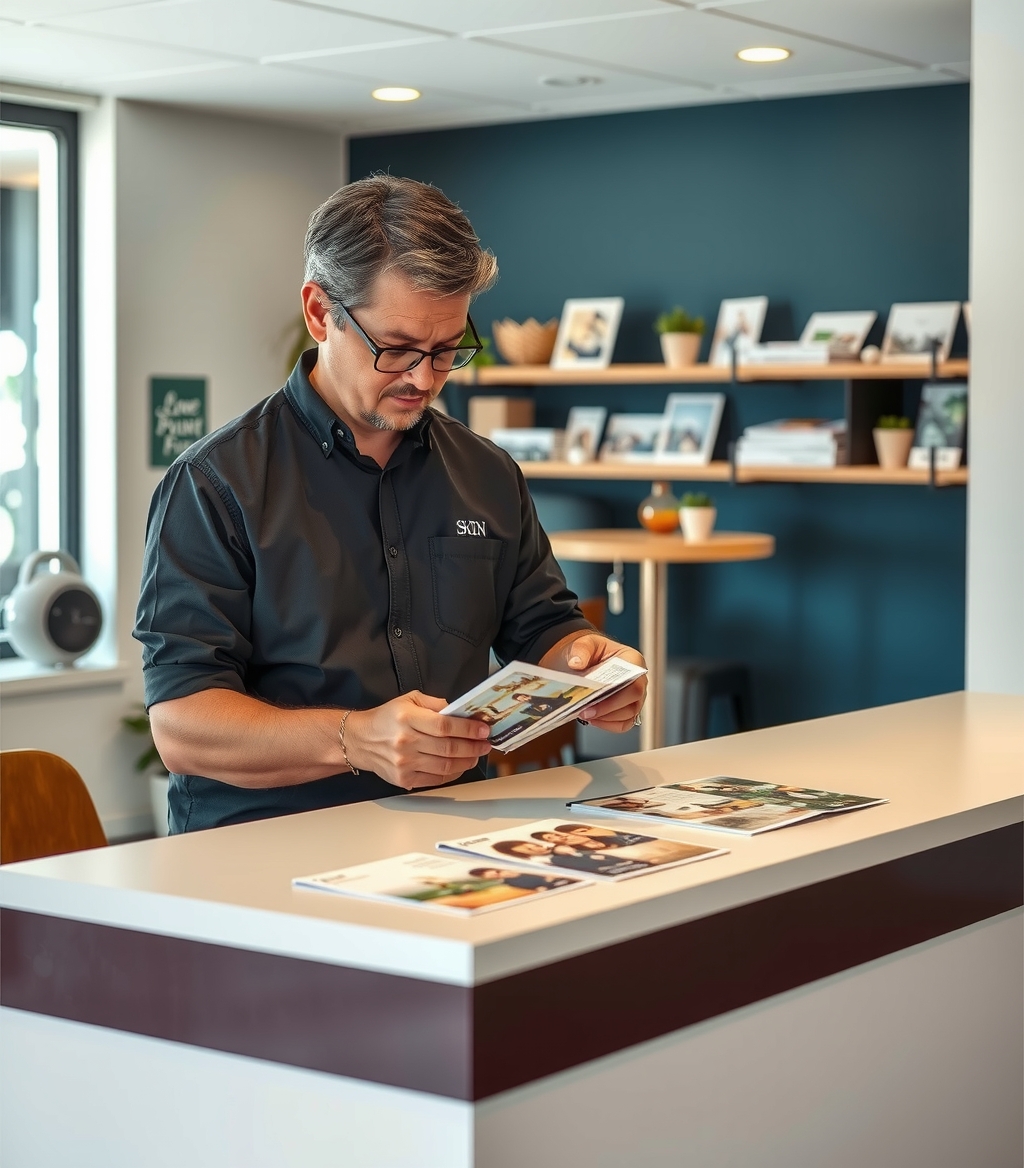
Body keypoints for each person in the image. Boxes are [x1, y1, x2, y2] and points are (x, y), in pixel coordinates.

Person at [135, 175, 646, 832]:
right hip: (264, 853)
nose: (424, 379)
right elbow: (182, 725)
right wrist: (354, 738)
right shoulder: (214, 484)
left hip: (457, 844)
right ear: (321, 313)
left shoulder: (487, 473)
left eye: (446, 351)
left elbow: (545, 630)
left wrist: (594, 668)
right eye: (398, 349)